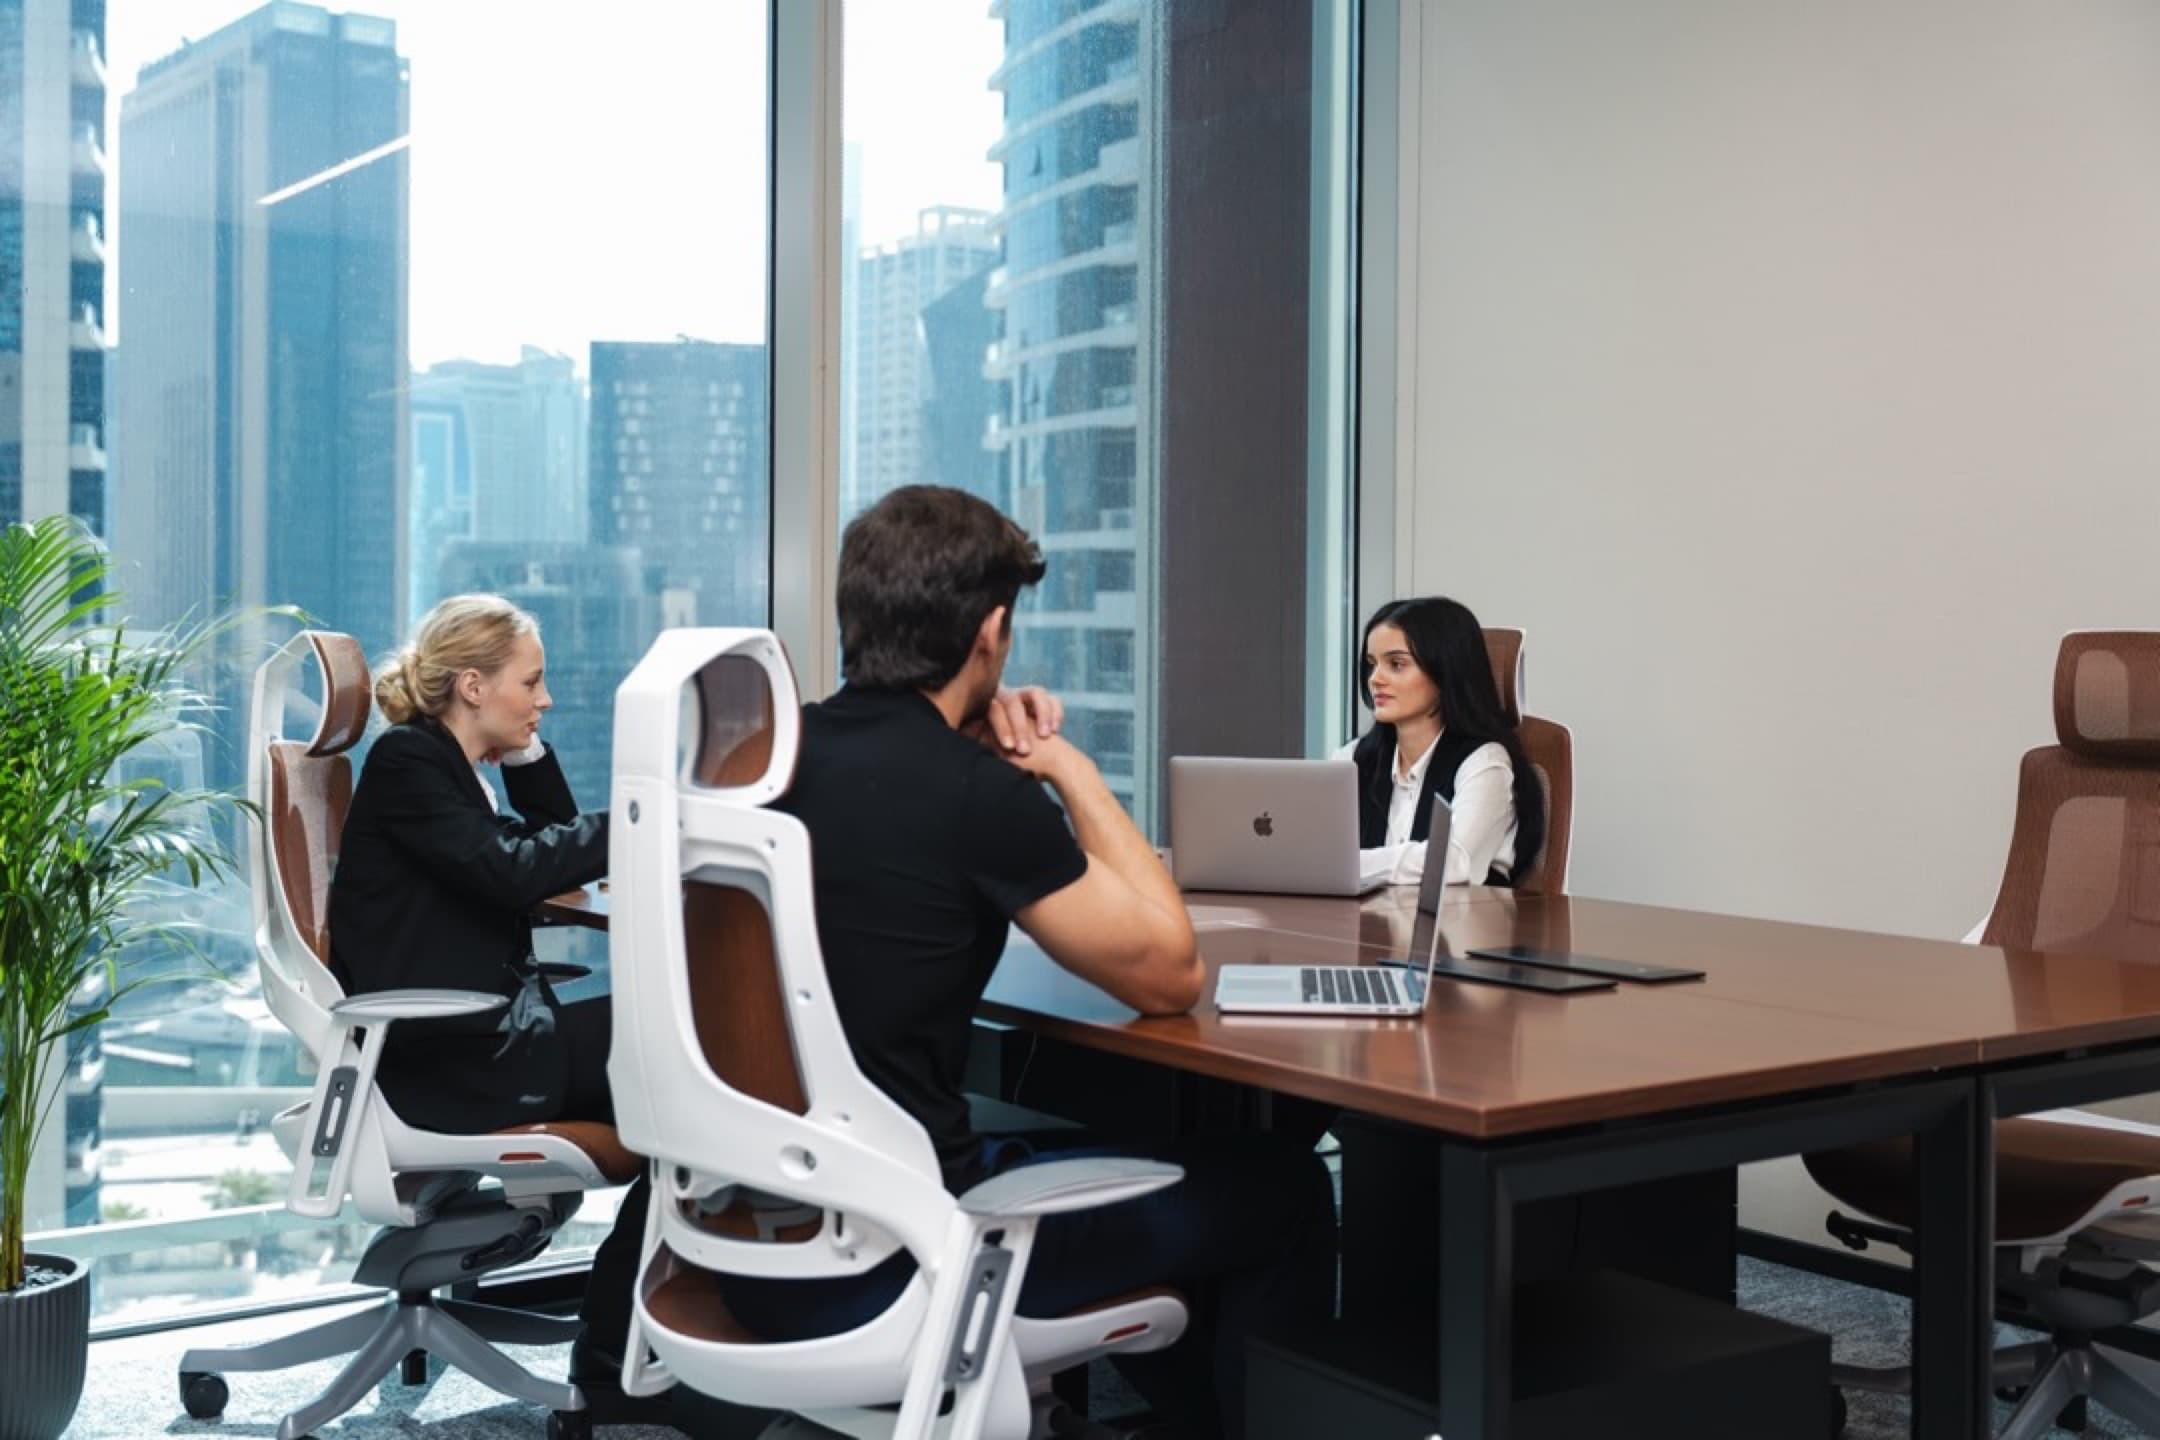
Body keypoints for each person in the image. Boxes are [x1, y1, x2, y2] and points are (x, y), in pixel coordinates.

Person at [722, 485, 1336, 1438]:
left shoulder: (756, 762)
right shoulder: (974, 796)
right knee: (1281, 1183)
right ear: (992, 632)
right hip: (910, 1261)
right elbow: (1171, 975)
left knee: (1090, 1150)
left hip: (745, 1247)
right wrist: (1064, 765)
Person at [325, 594, 655, 1421]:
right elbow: (513, 872)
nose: (544, 700)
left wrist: (525, 747)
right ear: (472, 685)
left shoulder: (449, 763)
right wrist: (647, 817)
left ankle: (622, 1344)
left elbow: (550, 838)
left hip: (477, 1035)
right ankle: (616, 1355)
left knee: (679, 1061)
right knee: (689, 1054)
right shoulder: (408, 761)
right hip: (452, 1059)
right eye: (531, 684)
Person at [1348, 596, 1545, 888]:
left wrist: (1350, 863)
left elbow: (1452, 863)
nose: (1376, 679)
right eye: (1372, 664)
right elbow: (1309, 852)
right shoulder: (1353, 757)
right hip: (1364, 927)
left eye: (1397, 664)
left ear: (1444, 673)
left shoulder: (1485, 763)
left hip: (1457, 930)